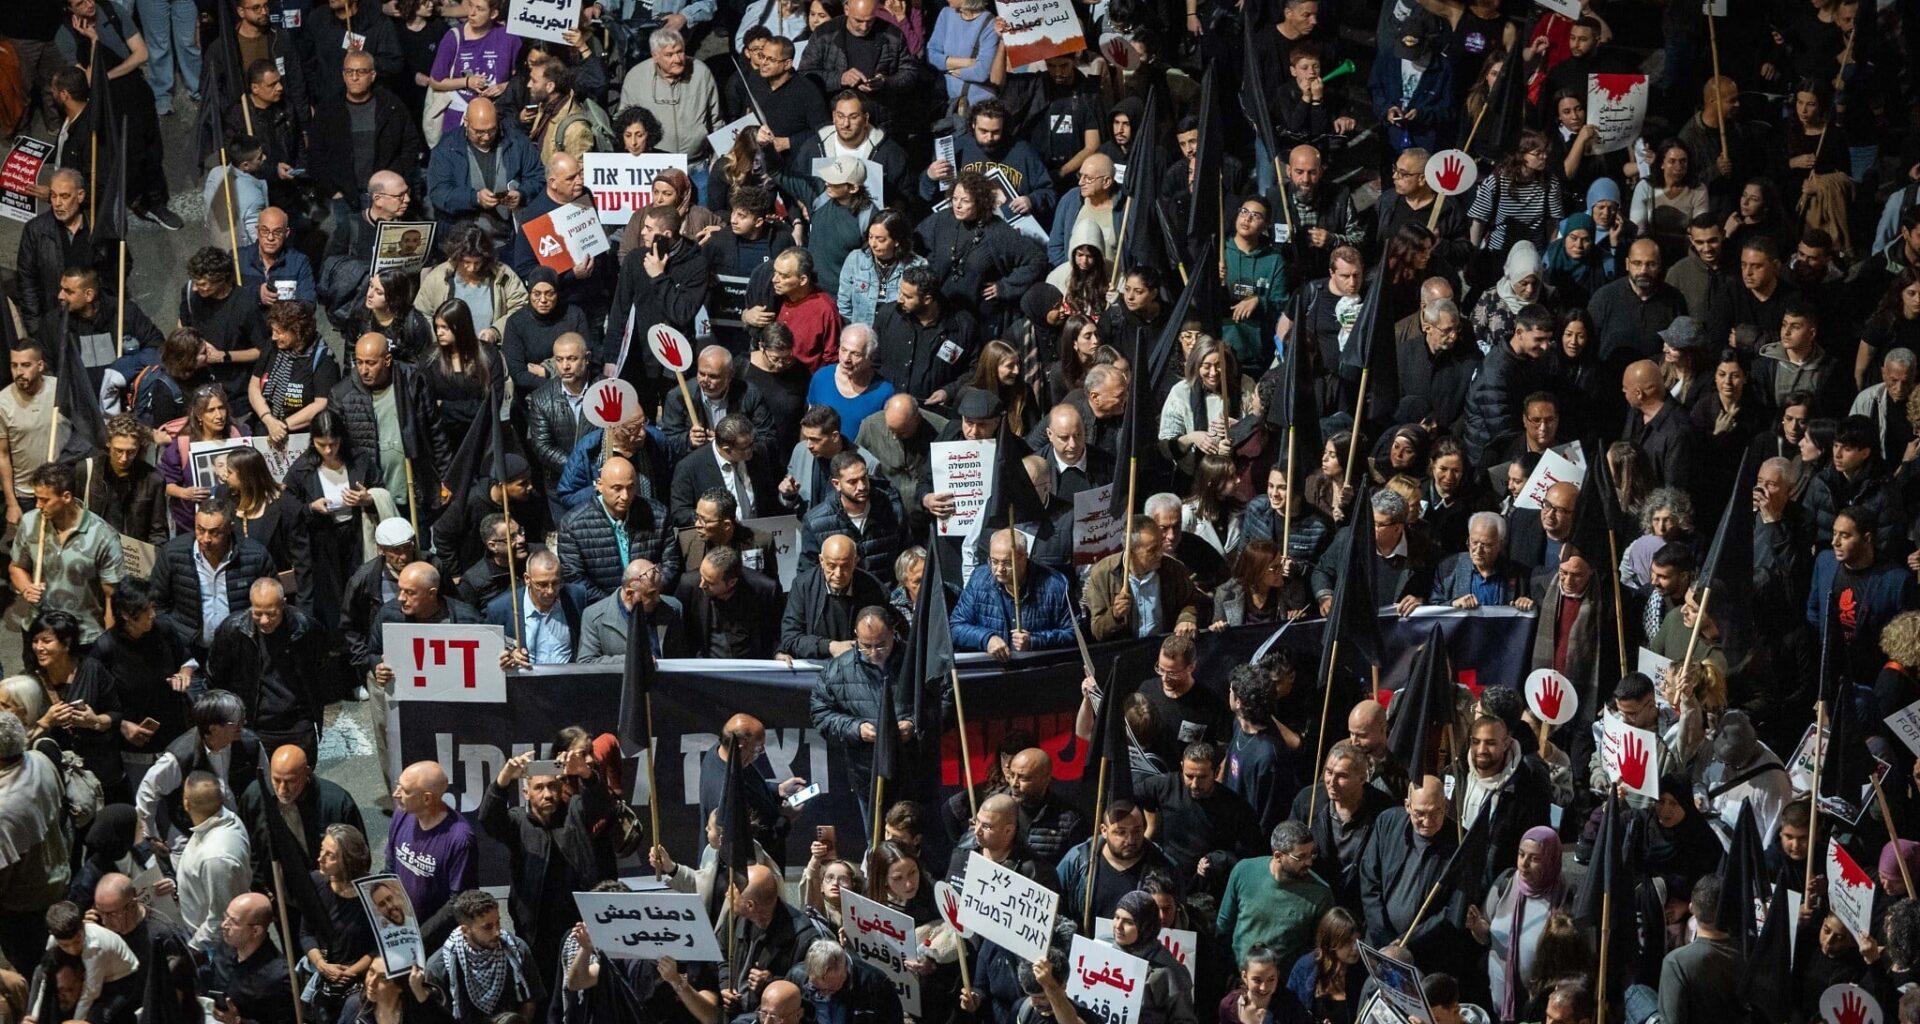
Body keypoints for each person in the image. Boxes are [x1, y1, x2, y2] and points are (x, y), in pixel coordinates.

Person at [10, 463, 125, 645]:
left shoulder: (103, 536)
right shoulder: (30, 521)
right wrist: (26, 588)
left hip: (83, 637)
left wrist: (109, 643)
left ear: (66, 497)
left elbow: (112, 595)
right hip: (38, 631)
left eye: (45, 500)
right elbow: (17, 567)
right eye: (36, 498)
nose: (38, 505)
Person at [1136, 741, 1261, 879]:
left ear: (1217, 772)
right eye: (1189, 776)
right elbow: (1128, 798)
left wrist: (1219, 859)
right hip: (1168, 876)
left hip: (1207, 883)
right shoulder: (1165, 786)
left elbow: (1250, 855)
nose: (1195, 784)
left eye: (1202, 777)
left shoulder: (1235, 808)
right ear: (1182, 767)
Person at [388, 761, 478, 950]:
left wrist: (419, 937)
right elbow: (390, 867)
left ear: (427, 799)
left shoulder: (459, 839)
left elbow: (458, 902)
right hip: (401, 931)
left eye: (404, 790)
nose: (396, 794)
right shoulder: (401, 815)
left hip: (438, 943)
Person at [425, 889, 547, 1024]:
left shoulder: (516, 950)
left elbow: (530, 999)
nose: (497, 932)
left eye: (498, 923)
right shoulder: (439, 967)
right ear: (465, 930)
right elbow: (435, 1016)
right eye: (488, 927)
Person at [951, 529, 1075, 659]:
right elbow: (956, 627)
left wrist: (1035, 641)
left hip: (1037, 668)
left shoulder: (1055, 585)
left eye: (1007, 563)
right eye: (994, 561)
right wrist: (986, 639)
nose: (999, 569)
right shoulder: (979, 580)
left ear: (1024, 558)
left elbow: (1074, 633)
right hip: (994, 669)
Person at [1086, 518, 1208, 641]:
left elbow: (1191, 601)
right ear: (1131, 552)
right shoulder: (1103, 574)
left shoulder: (1173, 569)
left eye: (1161, 546)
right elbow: (1097, 631)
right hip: (1125, 653)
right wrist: (1114, 615)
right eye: (1152, 550)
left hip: (1165, 650)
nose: (1160, 554)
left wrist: (1186, 618)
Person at [174, 772, 251, 952]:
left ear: (186, 803)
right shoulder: (227, 818)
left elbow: (220, 920)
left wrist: (193, 949)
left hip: (215, 947)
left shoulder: (215, 858)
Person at [485, 551, 591, 667]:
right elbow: (490, 654)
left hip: (567, 681)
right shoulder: (501, 609)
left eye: (555, 583)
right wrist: (508, 656)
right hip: (526, 682)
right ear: (527, 579)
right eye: (542, 584)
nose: (550, 591)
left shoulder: (576, 597)